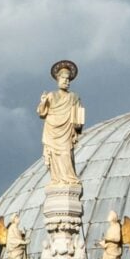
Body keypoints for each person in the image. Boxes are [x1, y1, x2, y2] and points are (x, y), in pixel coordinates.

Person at [37, 62, 85, 190]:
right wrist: (43, 102)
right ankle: (56, 179)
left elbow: (78, 114)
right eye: (64, 79)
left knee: (66, 154)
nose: (66, 81)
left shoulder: (74, 97)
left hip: (67, 130)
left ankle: (68, 178)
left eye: (68, 79)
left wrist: (78, 123)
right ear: (58, 79)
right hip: (52, 129)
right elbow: (42, 113)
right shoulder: (51, 96)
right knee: (53, 155)